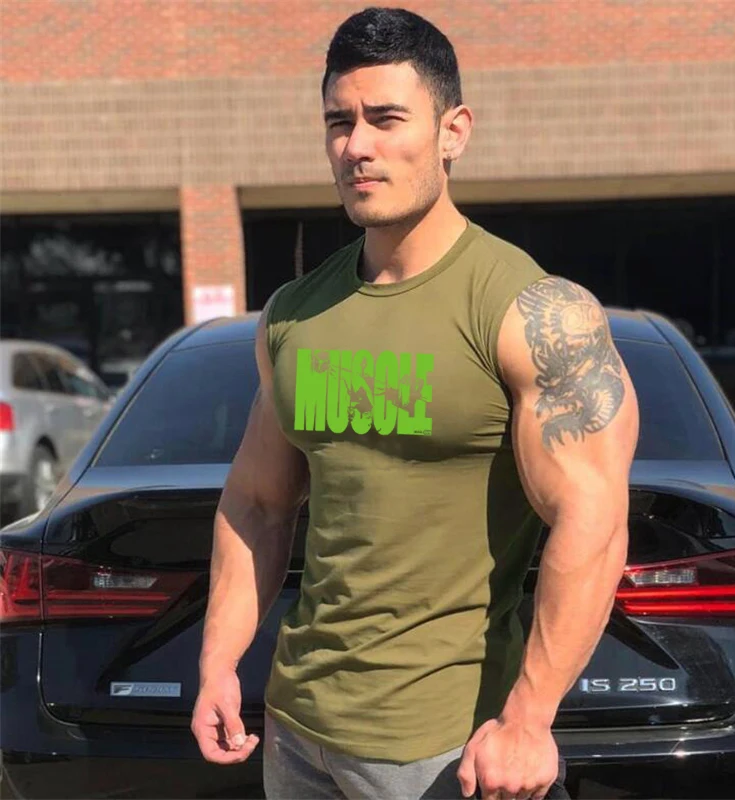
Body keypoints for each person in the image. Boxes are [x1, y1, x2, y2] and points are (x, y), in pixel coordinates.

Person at [191, 7, 640, 800]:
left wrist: (529, 718)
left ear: (452, 132)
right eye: (339, 121)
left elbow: (593, 519)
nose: (356, 146)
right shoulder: (294, 313)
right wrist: (220, 661)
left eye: (386, 118)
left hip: (444, 745)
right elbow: (258, 502)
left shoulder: (531, 312)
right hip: (297, 729)